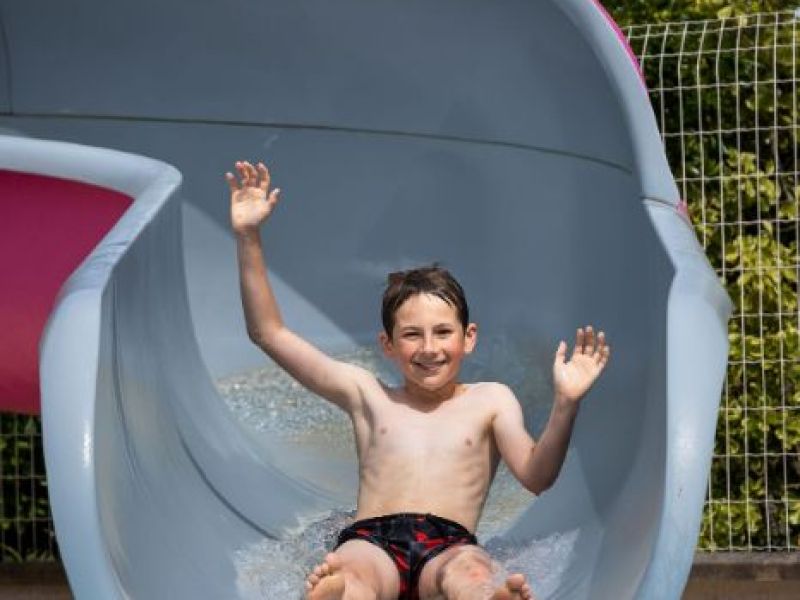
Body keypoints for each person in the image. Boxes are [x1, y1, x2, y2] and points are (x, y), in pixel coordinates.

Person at [225, 161, 611, 600]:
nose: (429, 348)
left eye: (443, 332)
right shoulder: (366, 395)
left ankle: (487, 597)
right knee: (354, 570)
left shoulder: (491, 400)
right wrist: (247, 237)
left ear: (469, 338)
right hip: (372, 540)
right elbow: (269, 334)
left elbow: (537, 476)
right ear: (387, 345)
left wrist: (566, 403)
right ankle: (340, 592)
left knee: (469, 572)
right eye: (412, 335)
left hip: (449, 544)